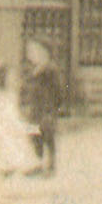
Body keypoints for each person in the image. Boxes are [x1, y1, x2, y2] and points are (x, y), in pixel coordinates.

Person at [0, 61, 41, 191]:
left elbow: (14, 116)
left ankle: (0, 184)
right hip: (1, 134)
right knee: (5, 161)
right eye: (2, 75)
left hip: (10, 133)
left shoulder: (8, 95)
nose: (6, 78)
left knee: (12, 159)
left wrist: (24, 127)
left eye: (5, 75)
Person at [20, 38, 66, 177]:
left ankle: (51, 167)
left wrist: (53, 108)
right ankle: (38, 164)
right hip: (35, 110)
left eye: (34, 51)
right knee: (35, 137)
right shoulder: (32, 70)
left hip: (46, 110)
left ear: (44, 52)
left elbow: (59, 91)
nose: (31, 54)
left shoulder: (51, 70)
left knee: (48, 137)